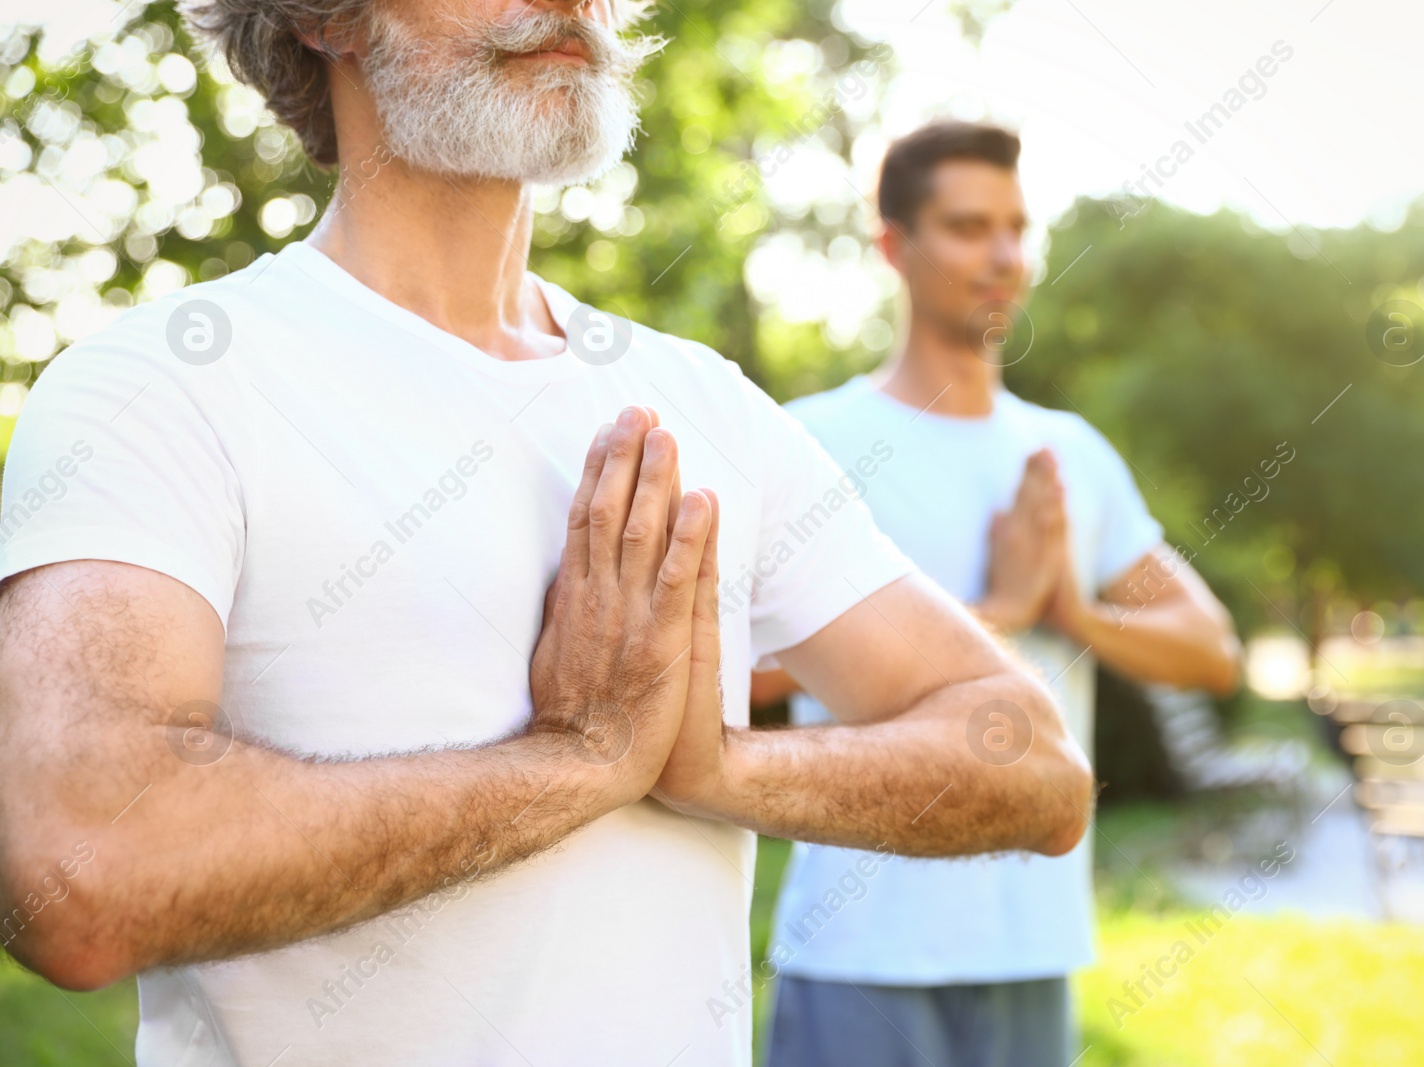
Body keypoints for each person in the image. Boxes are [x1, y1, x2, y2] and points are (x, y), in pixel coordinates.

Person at [0, 10, 1095, 1067]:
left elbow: (1036, 768)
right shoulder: (160, 384)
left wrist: (721, 767)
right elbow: (82, 872)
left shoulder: (701, 400)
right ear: (323, 16)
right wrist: (572, 763)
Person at [756, 121, 1241, 1067]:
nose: (1006, 257)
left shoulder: (1070, 454)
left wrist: (1074, 613)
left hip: (1032, 942)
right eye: (970, 227)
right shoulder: (808, 445)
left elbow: (1211, 647)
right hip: (860, 947)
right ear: (895, 244)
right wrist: (1003, 613)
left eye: (1018, 228)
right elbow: (741, 677)